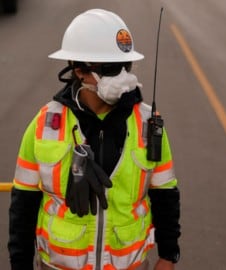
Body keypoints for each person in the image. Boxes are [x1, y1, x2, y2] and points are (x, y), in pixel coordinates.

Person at [8, 9, 181, 270]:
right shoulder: (45, 125)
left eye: (126, 66)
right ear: (79, 69)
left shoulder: (149, 124)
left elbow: (165, 193)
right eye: (111, 68)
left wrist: (168, 255)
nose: (123, 76)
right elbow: (23, 203)